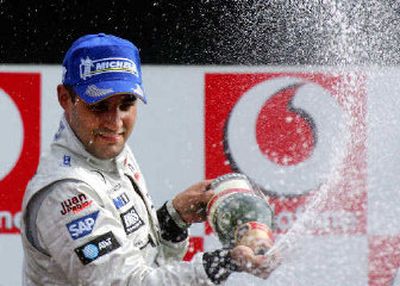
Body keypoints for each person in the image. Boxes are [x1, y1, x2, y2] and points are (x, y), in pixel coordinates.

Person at [21, 33, 277, 286]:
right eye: (99, 106)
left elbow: (146, 263)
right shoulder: (65, 192)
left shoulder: (107, 150)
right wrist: (222, 263)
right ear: (66, 99)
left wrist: (172, 219)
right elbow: (128, 283)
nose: (114, 121)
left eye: (126, 103)